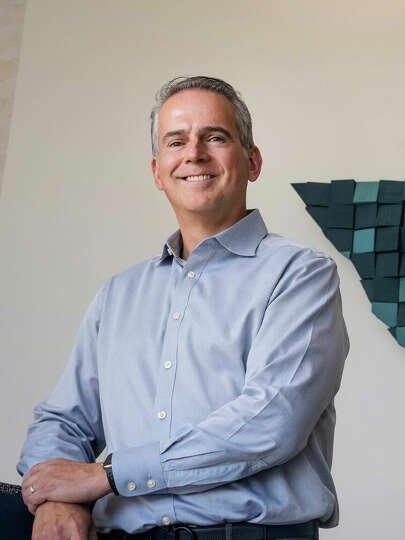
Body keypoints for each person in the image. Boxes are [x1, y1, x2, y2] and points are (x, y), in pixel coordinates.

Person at [6, 76, 349, 539]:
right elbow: (64, 420)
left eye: (215, 137)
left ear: (252, 161)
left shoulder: (301, 275)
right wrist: (51, 499)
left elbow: (273, 420)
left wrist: (106, 476)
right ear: (157, 171)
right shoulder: (119, 294)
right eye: (176, 141)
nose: (194, 153)